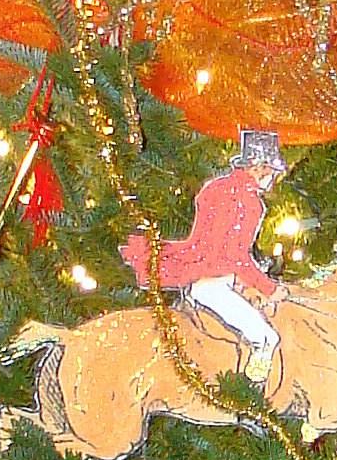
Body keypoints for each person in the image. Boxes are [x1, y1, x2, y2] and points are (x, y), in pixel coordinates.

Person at [122, 129, 286, 382]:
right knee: (268, 338)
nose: (272, 180)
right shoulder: (249, 203)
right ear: (259, 168)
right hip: (211, 281)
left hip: (200, 268)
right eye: (271, 173)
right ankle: (253, 381)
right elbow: (236, 256)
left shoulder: (215, 187)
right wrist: (268, 288)